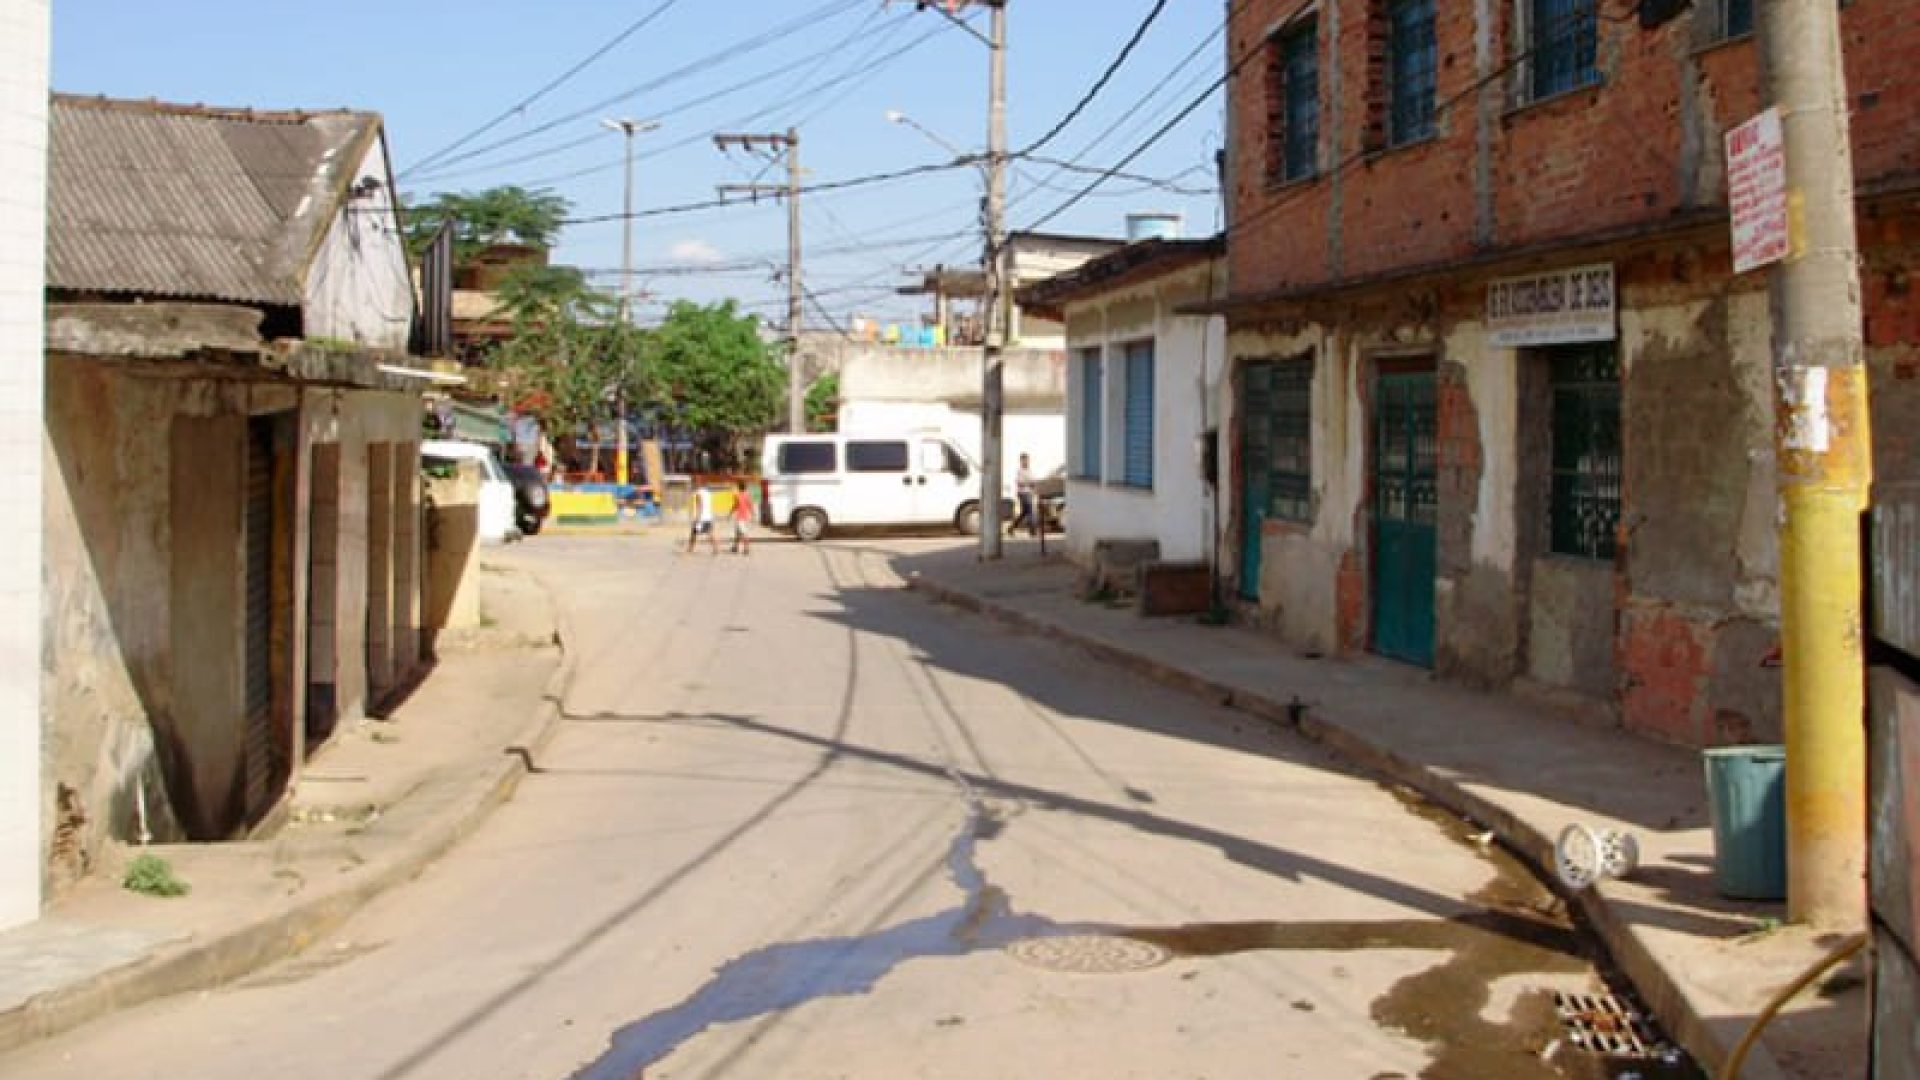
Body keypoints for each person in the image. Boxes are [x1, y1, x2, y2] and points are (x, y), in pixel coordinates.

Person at [1008, 452, 1037, 537]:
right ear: (1021, 461)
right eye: (1024, 460)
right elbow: (1020, 483)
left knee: (1024, 512)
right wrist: (1029, 482)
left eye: (1027, 460)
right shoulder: (1020, 471)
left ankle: (1011, 528)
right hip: (1023, 493)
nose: (1026, 462)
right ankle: (1032, 531)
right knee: (1030, 510)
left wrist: (1031, 484)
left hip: (1029, 492)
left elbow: (1033, 482)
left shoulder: (1029, 470)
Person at [686, 484, 719, 555]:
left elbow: (699, 505)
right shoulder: (708, 493)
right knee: (707, 532)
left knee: (694, 533)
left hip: (701, 517)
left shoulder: (698, 493)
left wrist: (697, 517)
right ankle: (715, 548)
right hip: (708, 516)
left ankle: (690, 549)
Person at [728, 480, 754, 555]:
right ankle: (735, 547)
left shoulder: (737, 495)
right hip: (745, 516)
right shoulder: (747, 495)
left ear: (739, 487)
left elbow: (735, 505)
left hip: (739, 517)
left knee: (743, 533)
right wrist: (753, 514)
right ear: (745, 488)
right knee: (737, 533)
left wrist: (730, 513)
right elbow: (750, 505)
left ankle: (746, 548)